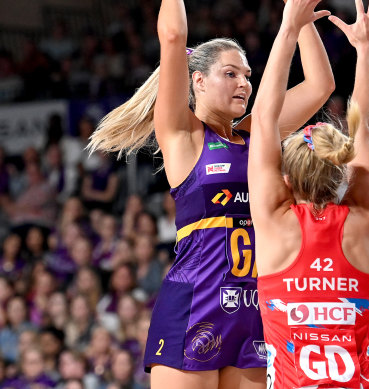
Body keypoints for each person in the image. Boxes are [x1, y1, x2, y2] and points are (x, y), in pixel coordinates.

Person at [88, 0, 335, 387]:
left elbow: (321, 86)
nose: (245, 83)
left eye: (248, 75)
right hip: (195, 302)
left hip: (250, 307)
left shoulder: (258, 132)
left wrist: (298, 15)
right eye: (231, 73)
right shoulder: (184, 134)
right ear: (198, 80)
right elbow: (172, 36)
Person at [249, 0, 369, 387]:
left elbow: (262, 120)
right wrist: (366, 50)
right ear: (344, 171)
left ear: (287, 180)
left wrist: (288, 27)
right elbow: (365, 129)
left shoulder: (275, 223)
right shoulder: (364, 218)